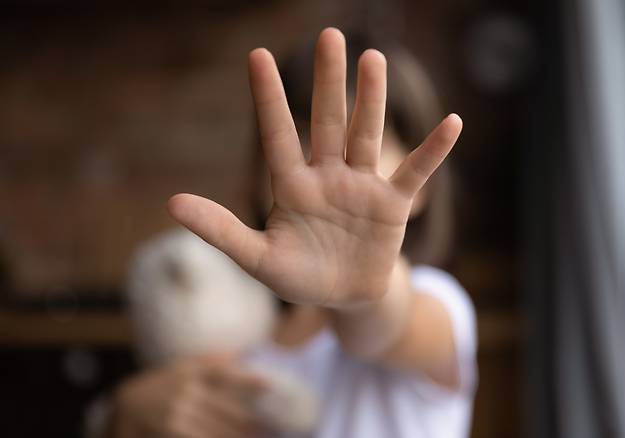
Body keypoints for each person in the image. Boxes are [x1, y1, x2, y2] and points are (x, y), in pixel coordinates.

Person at [105, 27, 477, 438]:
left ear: (422, 189)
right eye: (300, 134)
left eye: (355, 146)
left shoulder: (439, 304)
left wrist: (360, 290)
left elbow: (385, 326)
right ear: (254, 171)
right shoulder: (235, 332)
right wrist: (121, 419)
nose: (321, 164)